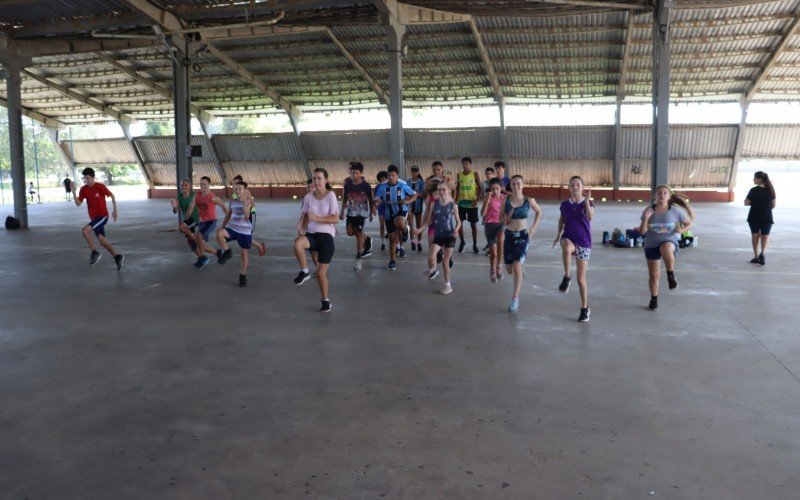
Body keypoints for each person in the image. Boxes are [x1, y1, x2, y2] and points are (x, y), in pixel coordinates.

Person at [638, 185, 695, 311]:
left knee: (665, 247)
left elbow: (690, 223)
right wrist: (645, 218)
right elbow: (642, 232)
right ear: (655, 197)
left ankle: (670, 275)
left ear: (669, 196)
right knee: (654, 276)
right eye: (659, 193)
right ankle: (654, 299)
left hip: (669, 241)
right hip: (651, 244)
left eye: (665, 193)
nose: (662, 195)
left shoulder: (675, 211)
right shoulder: (649, 211)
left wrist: (681, 229)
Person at [293, 168, 339, 312]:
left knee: (320, 274)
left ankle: (325, 300)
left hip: (326, 238)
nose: (316, 181)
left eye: (319, 178)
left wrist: (317, 218)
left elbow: (335, 218)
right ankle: (305, 271)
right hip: (312, 235)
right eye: (314, 179)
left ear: (326, 180)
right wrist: (301, 226)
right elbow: (305, 215)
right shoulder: (308, 197)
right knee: (297, 243)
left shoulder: (331, 195)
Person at [553, 176, 594, 322]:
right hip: (569, 236)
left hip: (584, 242)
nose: (575, 187)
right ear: (569, 187)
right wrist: (558, 234)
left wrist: (588, 203)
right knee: (566, 249)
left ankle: (584, 308)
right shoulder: (565, 205)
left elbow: (590, 217)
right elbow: (561, 219)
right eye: (572, 185)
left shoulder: (588, 203)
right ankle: (567, 275)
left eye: (578, 185)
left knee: (581, 280)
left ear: (582, 187)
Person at [71, 167, 124, 270]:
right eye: (84, 178)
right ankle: (117, 257)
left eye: (88, 178)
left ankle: (94, 252)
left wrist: (115, 210)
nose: (86, 180)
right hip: (94, 219)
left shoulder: (100, 187)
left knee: (85, 231)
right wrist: (73, 193)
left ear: (93, 177)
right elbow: (78, 203)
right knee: (103, 242)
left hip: (103, 216)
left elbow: (112, 196)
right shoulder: (84, 189)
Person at [502, 175, 542, 313]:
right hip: (508, 236)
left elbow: (539, 212)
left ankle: (515, 299)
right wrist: (507, 217)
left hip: (522, 236)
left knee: (517, 267)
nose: (516, 186)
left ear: (523, 185)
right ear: (510, 186)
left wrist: (533, 229)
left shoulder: (528, 200)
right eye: (513, 184)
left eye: (518, 184)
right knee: (509, 270)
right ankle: (519, 266)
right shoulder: (506, 200)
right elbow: (501, 219)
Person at [414, 180, 461, 294]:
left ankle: (448, 285)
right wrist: (420, 229)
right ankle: (432, 270)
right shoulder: (434, 204)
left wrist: (456, 230)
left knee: (445, 262)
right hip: (438, 235)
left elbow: (458, 222)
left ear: (449, 190)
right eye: (439, 189)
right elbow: (430, 220)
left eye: (443, 189)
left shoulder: (453, 205)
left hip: (449, 236)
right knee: (431, 257)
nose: (441, 192)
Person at [216, 181, 266, 287]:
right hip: (233, 229)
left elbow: (247, 216)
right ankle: (227, 251)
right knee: (219, 233)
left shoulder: (247, 201)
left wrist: (244, 204)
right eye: (236, 189)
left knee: (244, 254)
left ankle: (242, 276)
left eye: (240, 189)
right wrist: (222, 226)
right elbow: (228, 215)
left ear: (244, 190)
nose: (237, 190)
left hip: (244, 231)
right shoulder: (232, 201)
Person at [374, 165, 418, 270]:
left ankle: (405, 230)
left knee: (398, 222)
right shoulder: (382, 187)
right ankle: (392, 261)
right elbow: (378, 200)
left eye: (393, 175)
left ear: (397, 176)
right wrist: (376, 204)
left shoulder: (402, 186)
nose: (391, 177)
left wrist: (407, 201)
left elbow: (415, 195)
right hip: (388, 213)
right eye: (389, 175)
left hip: (401, 210)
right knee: (392, 238)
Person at [186, 176, 228, 266]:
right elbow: (190, 208)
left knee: (198, 236)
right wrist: (187, 222)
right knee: (197, 243)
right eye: (201, 184)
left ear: (209, 185)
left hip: (211, 222)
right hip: (202, 223)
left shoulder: (212, 197)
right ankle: (218, 253)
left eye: (204, 184)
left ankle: (203, 258)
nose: (202, 186)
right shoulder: (197, 196)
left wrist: (228, 218)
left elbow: (223, 206)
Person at [340, 161, 374, 271]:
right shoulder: (347, 184)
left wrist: (371, 212)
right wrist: (342, 211)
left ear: (361, 173)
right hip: (351, 212)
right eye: (352, 173)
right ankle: (367, 238)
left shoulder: (366, 185)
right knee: (350, 232)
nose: (354, 175)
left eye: (356, 173)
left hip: (361, 213)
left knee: (358, 233)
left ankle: (358, 257)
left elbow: (370, 199)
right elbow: (345, 198)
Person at [170, 178, 206, 268]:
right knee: (190, 242)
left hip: (195, 219)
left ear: (190, 186)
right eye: (182, 185)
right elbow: (175, 211)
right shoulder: (179, 196)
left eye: (186, 185)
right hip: (188, 219)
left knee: (181, 226)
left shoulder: (195, 195)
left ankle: (195, 239)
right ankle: (201, 258)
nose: (184, 187)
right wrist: (174, 207)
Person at [745, 170, 776, 265]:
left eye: (754, 178)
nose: (753, 179)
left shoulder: (753, 190)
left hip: (754, 215)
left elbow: (746, 203)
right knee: (765, 236)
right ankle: (762, 253)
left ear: (759, 179)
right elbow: (773, 205)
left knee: (755, 235)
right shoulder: (771, 190)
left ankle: (756, 256)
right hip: (767, 215)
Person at [455, 156, 482, 254]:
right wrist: (455, 199)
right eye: (463, 164)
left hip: (472, 203)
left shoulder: (475, 174)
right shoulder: (459, 175)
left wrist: (477, 200)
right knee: (459, 223)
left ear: (470, 164)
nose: (465, 166)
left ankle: (475, 244)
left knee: (473, 224)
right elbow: (457, 188)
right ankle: (462, 242)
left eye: (467, 164)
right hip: (461, 203)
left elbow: (481, 188)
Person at [481, 177, 507, 283]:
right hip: (489, 225)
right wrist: (487, 200)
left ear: (501, 188)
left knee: (500, 239)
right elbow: (482, 214)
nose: (495, 191)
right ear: (490, 189)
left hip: (501, 223)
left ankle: (499, 265)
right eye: (492, 189)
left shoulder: (505, 198)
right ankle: (492, 269)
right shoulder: (488, 198)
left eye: (497, 189)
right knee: (493, 253)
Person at [406, 165, 426, 252]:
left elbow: (424, 195)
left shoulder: (421, 182)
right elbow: (405, 193)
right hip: (410, 207)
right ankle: (412, 241)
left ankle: (419, 242)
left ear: (418, 172)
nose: (414, 173)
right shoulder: (408, 182)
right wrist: (408, 197)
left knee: (419, 226)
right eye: (412, 171)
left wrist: (417, 195)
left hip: (418, 207)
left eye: (415, 171)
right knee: (410, 225)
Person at [375, 171, 389, 251]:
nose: (383, 179)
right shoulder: (378, 187)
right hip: (381, 208)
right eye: (382, 178)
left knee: (389, 225)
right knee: (382, 225)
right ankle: (383, 243)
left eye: (385, 177)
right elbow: (376, 198)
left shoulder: (390, 186)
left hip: (388, 207)